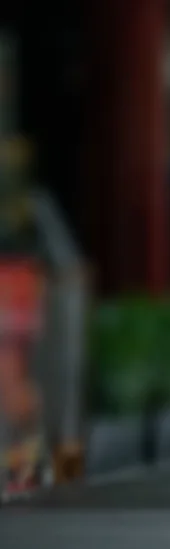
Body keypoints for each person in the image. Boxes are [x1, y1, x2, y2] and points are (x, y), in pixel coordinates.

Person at [0, 136, 47, 502]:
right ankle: (29, 463)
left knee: (11, 381)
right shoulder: (31, 207)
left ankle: (26, 466)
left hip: (8, 293)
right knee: (18, 378)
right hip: (24, 292)